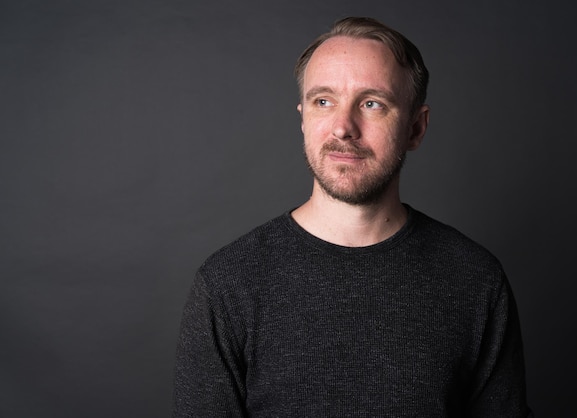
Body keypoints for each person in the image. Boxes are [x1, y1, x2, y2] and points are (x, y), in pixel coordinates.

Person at [173, 16, 532, 417]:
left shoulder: (475, 280)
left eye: (372, 103)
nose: (343, 127)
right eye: (323, 101)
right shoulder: (227, 284)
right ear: (303, 118)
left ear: (416, 128)